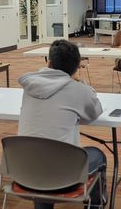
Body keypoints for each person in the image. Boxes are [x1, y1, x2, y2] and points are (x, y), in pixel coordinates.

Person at [18, 40, 107, 209]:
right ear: (76, 68)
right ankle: (95, 206)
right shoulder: (77, 89)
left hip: (24, 171)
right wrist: (80, 82)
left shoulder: (30, 85)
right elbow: (95, 112)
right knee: (97, 155)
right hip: (65, 176)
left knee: (40, 154)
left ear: (48, 62)